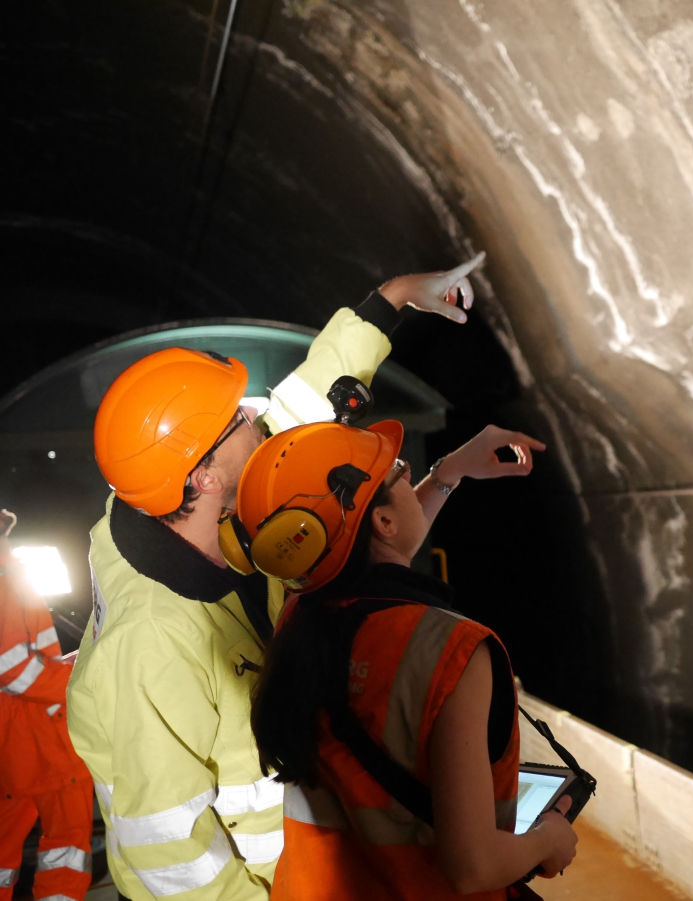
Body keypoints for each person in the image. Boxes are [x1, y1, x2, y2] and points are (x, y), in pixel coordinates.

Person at [66, 255, 486, 901]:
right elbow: (168, 856)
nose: (257, 416)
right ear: (203, 476)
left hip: (307, 865)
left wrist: (394, 299)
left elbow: (301, 407)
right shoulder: (151, 640)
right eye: (237, 418)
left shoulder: (191, 505)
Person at [232, 418, 576, 900]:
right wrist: (547, 841)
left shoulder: (297, 623)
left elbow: (369, 551)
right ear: (383, 521)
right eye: (400, 474)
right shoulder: (454, 650)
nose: (410, 478)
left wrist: (446, 474)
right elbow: (472, 868)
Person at [0, 510, 93, 901]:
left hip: (14, 742)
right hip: (43, 740)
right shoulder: (5, 576)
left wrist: (65, 664)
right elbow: (13, 668)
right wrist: (80, 680)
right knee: (67, 846)